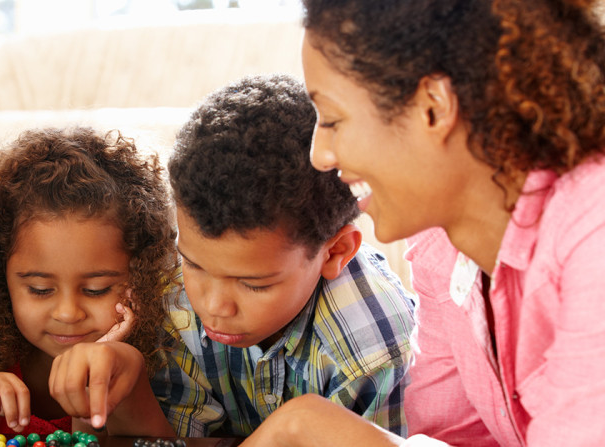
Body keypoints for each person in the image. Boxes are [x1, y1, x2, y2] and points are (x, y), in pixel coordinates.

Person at [244, 0, 605, 446]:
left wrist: (308, 425)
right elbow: (455, 438)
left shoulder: (593, 235)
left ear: (433, 107)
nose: (319, 155)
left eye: (333, 119)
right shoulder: (443, 245)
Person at [149, 74, 417, 440]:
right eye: (193, 265)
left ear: (335, 253)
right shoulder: (171, 301)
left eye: (253, 285)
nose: (212, 305)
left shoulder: (371, 348)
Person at [0, 127, 179, 442]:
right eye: (40, 290)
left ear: (143, 274)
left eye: (96, 290)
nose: (68, 313)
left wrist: (99, 382)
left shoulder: (160, 357)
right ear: (0, 279)